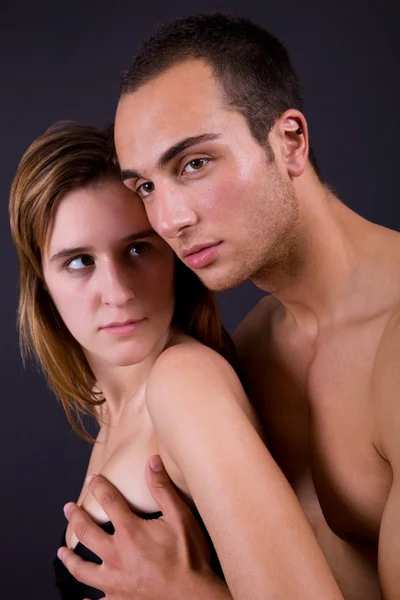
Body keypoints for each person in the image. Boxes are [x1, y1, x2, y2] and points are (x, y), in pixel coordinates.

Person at [56, 12, 400, 600]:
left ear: (289, 141)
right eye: (146, 187)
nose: (169, 220)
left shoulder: (391, 344)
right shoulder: (254, 347)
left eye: (194, 164)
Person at [9, 121, 340, 600]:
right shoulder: (113, 408)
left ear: (174, 259)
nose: (119, 293)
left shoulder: (184, 383)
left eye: (138, 249)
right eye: (79, 261)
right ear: (43, 284)